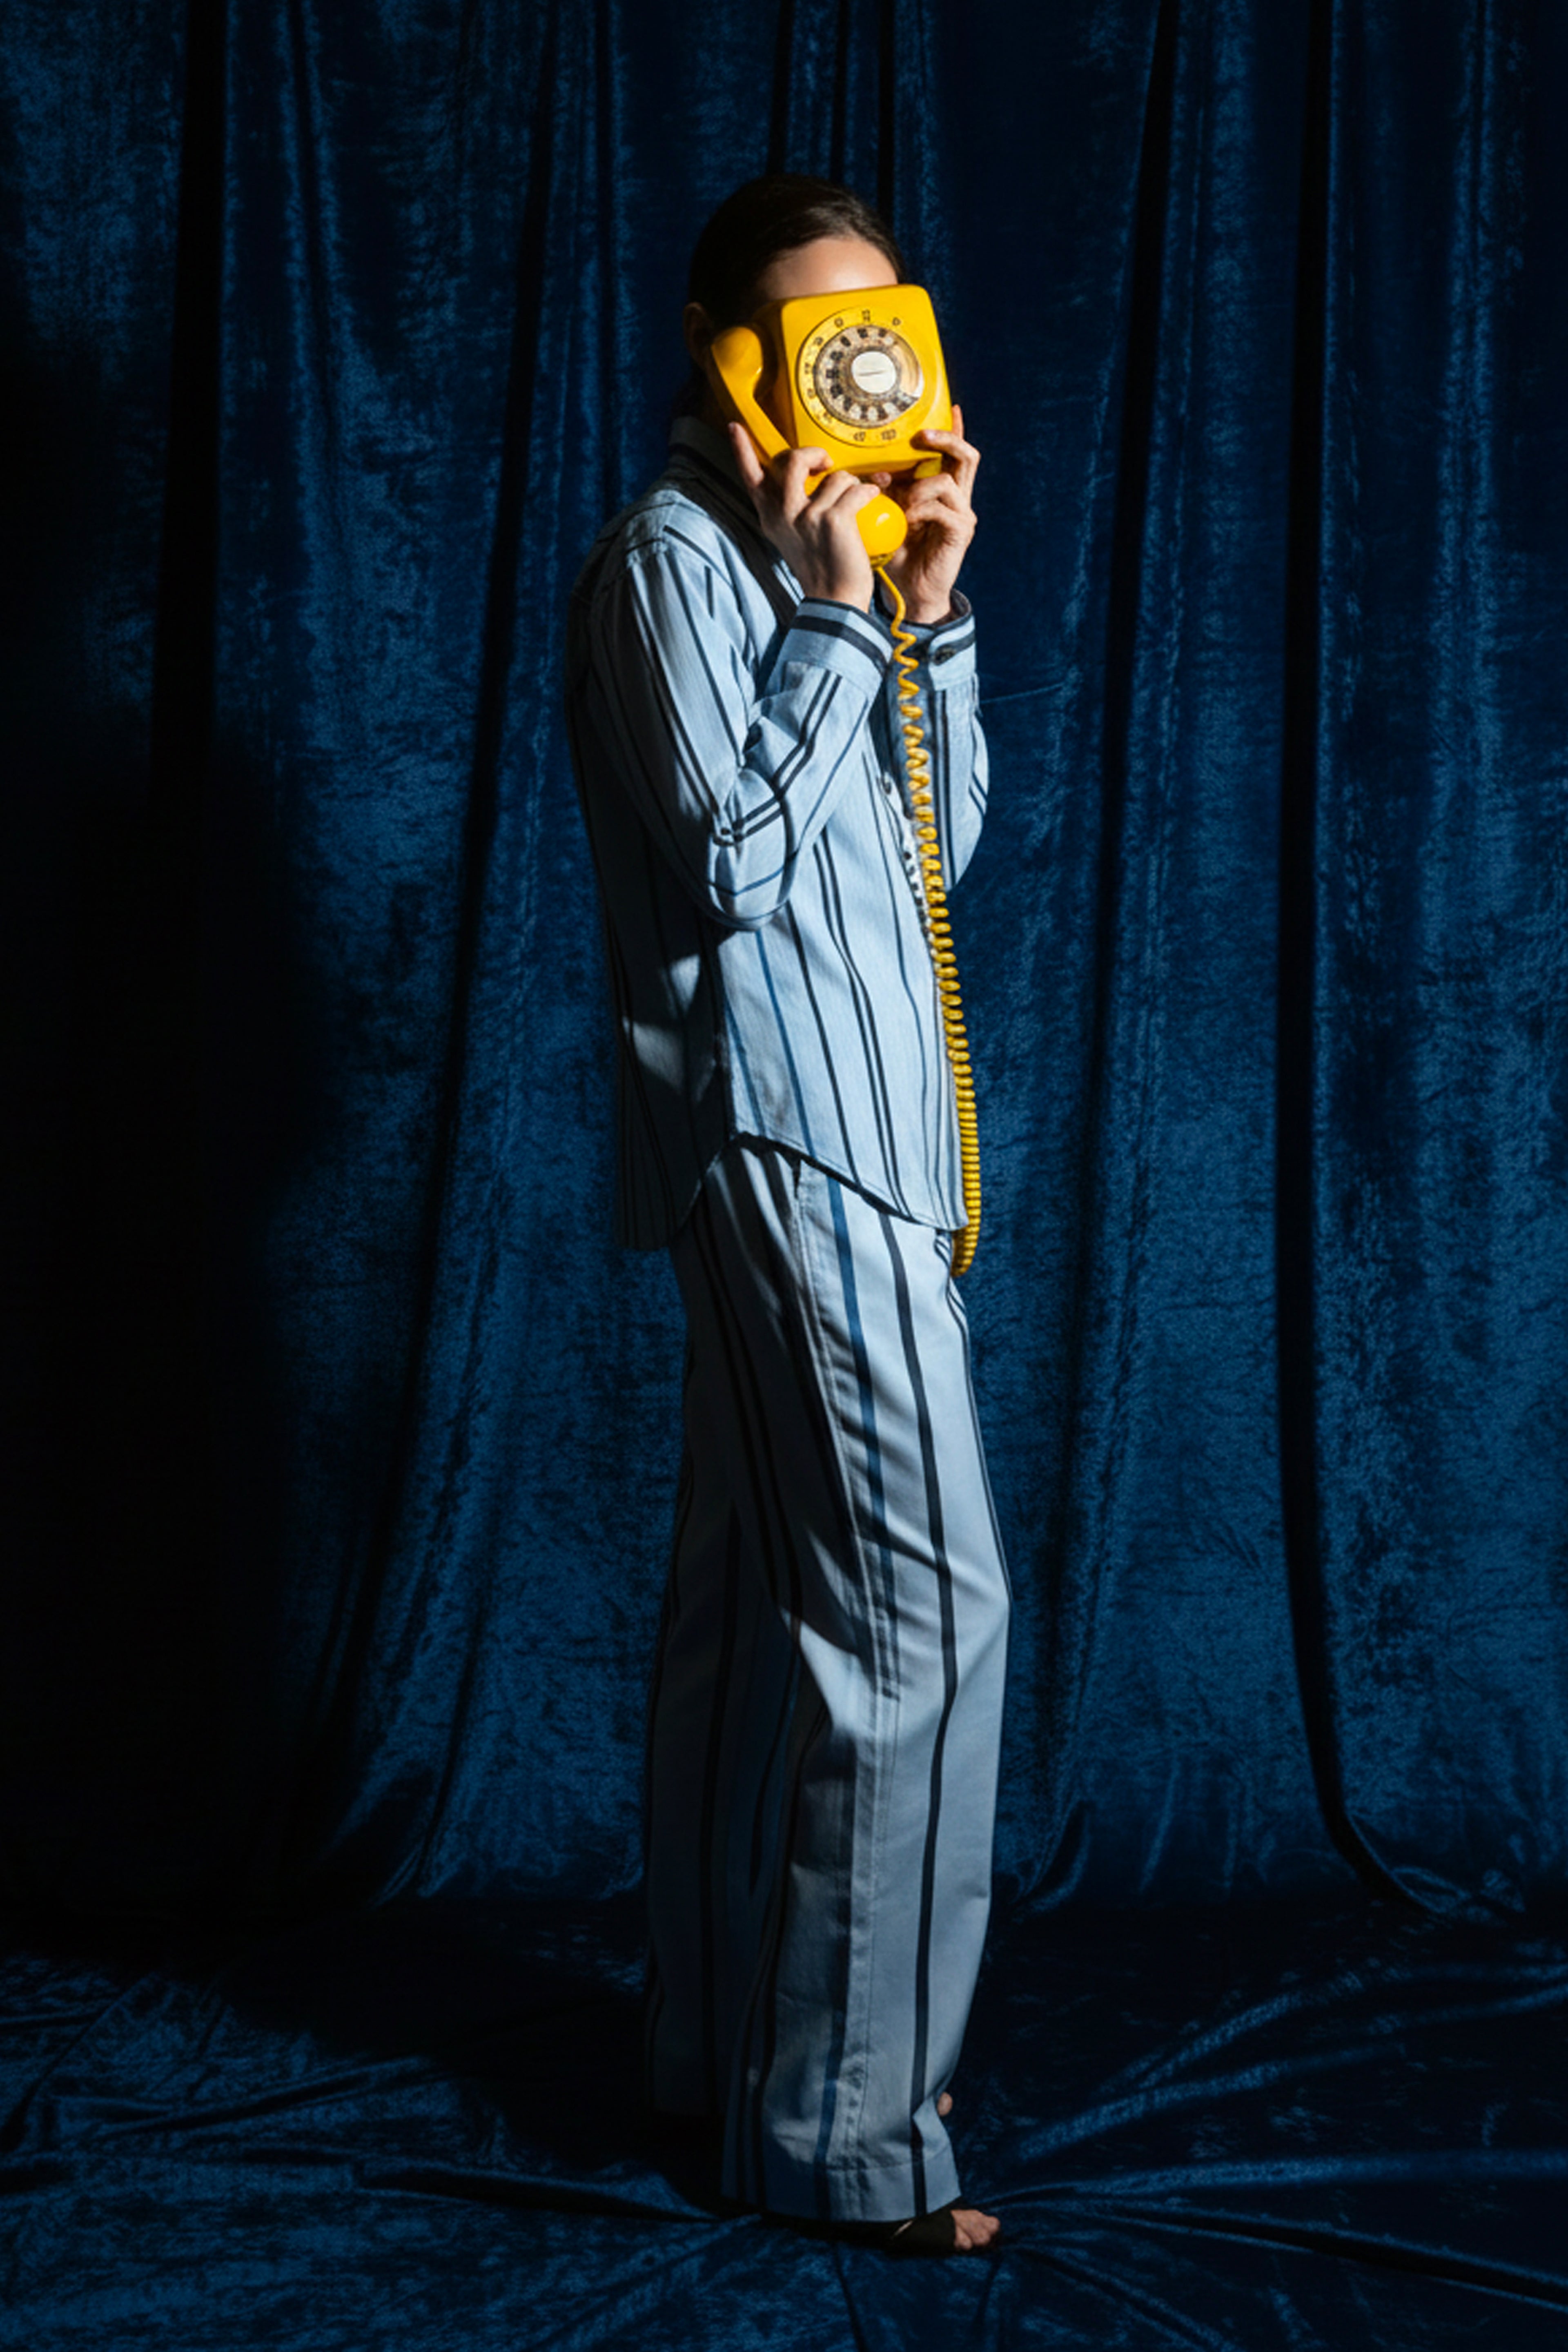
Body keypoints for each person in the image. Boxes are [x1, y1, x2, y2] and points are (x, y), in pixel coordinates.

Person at [564, 176, 1009, 2256]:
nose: (853, 378)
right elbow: (731, 854)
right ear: (724, 353)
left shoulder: (826, 571)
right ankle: (847, 2139)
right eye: (811, 339)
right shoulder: (669, 564)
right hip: (786, 1143)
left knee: (765, 1630)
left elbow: (942, 843)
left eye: (876, 335)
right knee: (924, 1623)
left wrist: (926, 603)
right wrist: (834, 615)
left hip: (879, 1146)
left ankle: (720, 2066)